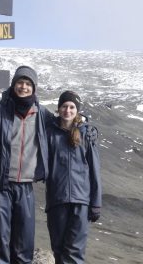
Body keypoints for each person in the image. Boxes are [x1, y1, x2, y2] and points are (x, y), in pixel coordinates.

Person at [0, 65, 53, 264]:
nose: (23, 87)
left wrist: (81, 122)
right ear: (14, 84)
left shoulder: (42, 115)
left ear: (34, 88)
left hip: (26, 187)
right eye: (20, 82)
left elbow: (64, 126)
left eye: (28, 84)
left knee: (24, 243)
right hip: (0, 187)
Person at [45, 91, 102, 264]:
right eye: (64, 106)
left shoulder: (86, 135)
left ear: (77, 111)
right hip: (57, 201)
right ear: (58, 108)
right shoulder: (50, 133)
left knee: (75, 253)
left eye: (71, 107)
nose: (67, 110)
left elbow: (95, 170)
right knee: (59, 250)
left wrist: (96, 203)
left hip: (81, 202)